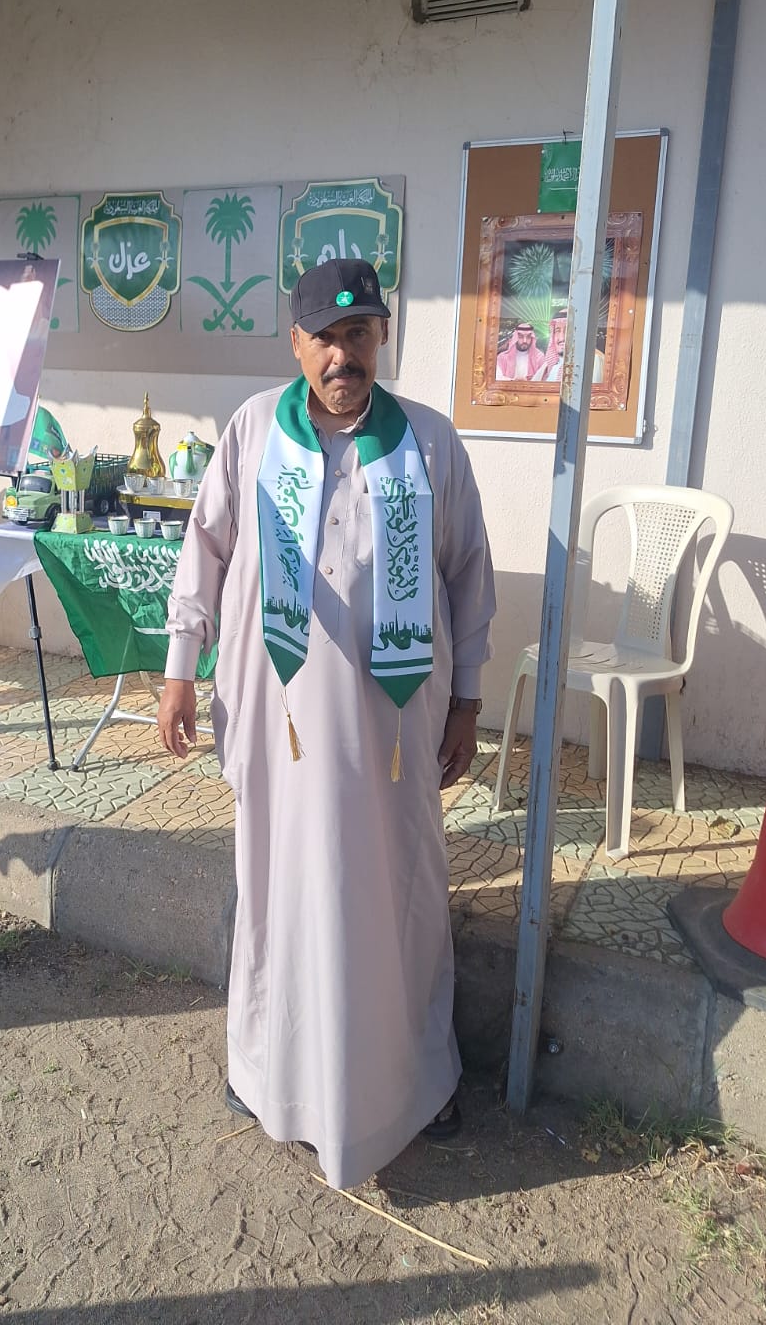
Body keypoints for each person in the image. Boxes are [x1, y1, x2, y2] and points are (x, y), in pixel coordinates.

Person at [157, 258, 496, 1191]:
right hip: (282, 720)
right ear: (295, 342)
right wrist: (180, 669)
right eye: (324, 337)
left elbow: (467, 572)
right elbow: (205, 548)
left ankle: (413, 1082)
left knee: (399, 891)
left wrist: (468, 699)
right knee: (279, 885)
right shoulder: (253, 431)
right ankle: (271, 1073)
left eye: (359, 334)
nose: (343, 354)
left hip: (394, 727)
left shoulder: (428, 442)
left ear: (380, 337)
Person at [531, 309, 606, 384]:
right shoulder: (547, 365)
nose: (562, 338)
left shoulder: (593, 361)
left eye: (568, 330)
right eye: (557, 331)